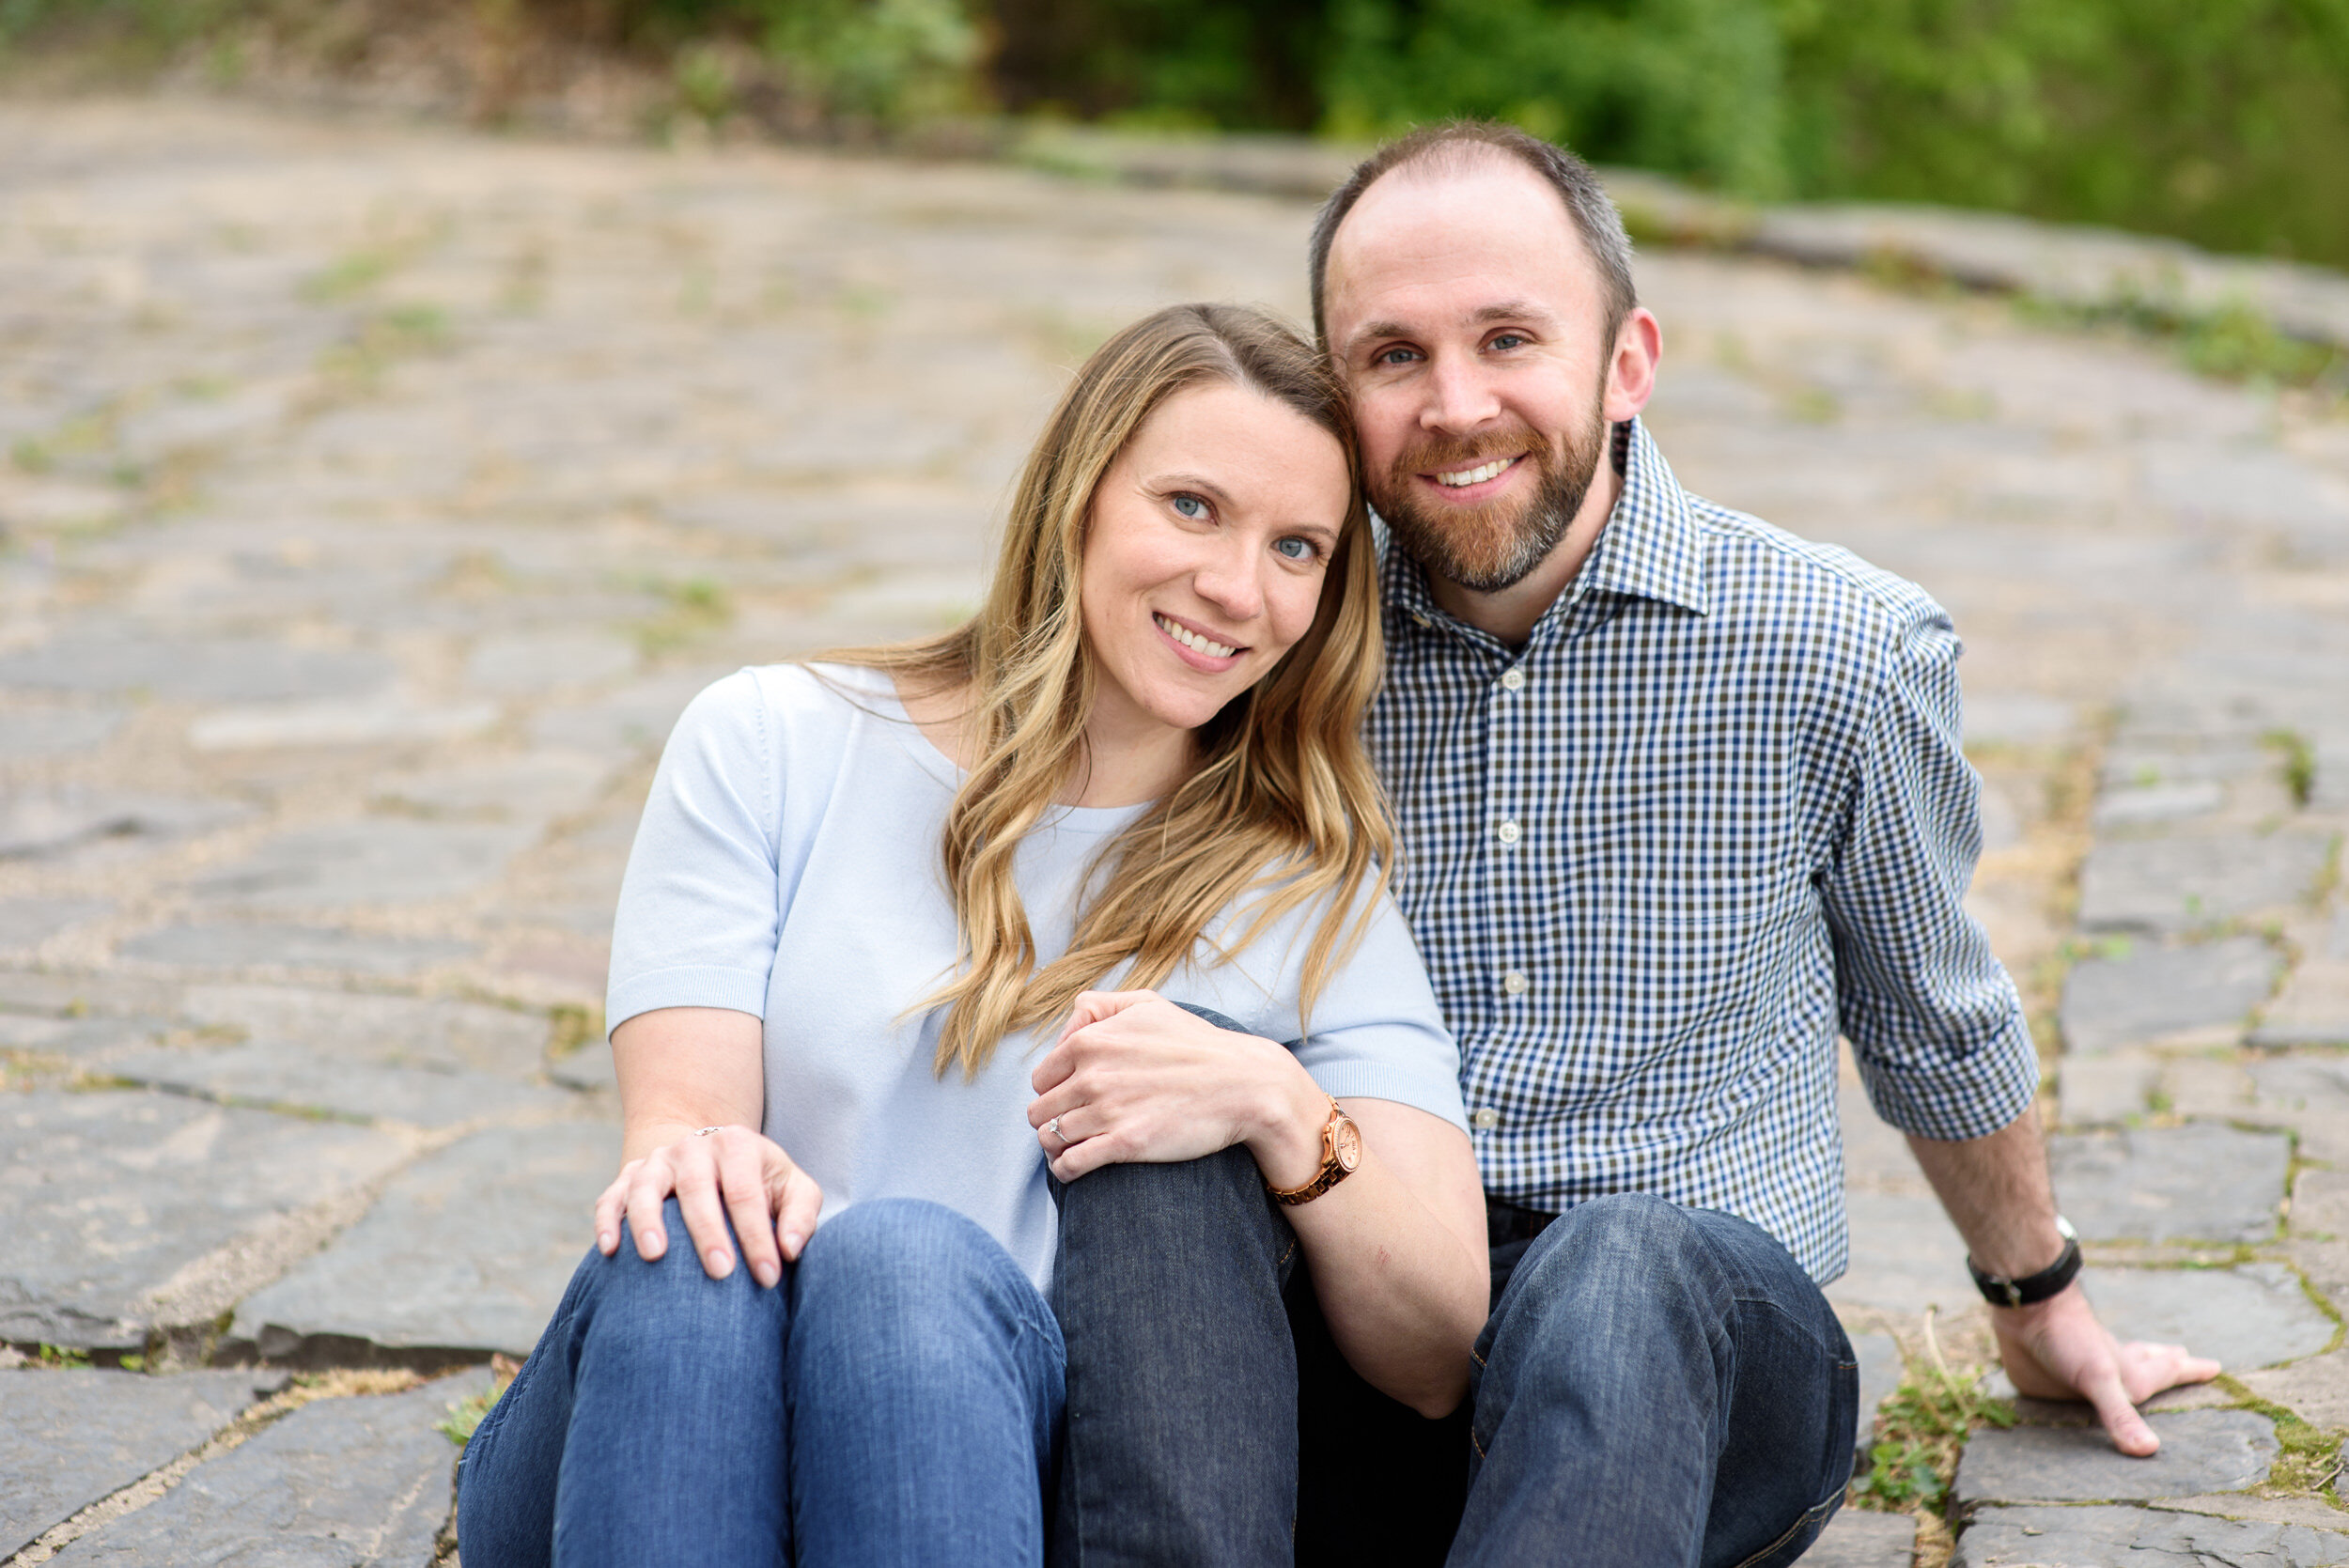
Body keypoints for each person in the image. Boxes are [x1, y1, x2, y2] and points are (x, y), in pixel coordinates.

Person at [1057, 123, 2221, 1567]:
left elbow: (1930, 1010)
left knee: (1622, 1252)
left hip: (1700, 1360)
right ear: (1334, 390)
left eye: (1507, 339)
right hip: (1359, 1334)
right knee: (1167, 1133)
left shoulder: (1834, 649)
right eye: (1394, 356)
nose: (1455, 403)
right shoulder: (1275, 638)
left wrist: (2038, 1294)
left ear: (1627, 361)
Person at [452, 302, 1489, 1568]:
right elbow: (676, 1132)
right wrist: (716, 1158)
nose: (1236, 587)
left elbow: (1438, 1349)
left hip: (983, 1464)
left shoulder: (1308, 892)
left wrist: (1282, 1107)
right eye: (1193, 507)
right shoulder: (775, 739)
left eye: (1298, 548)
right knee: (693, 1231)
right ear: (1078, 498)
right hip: (668, 1410)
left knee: (903, 1268)